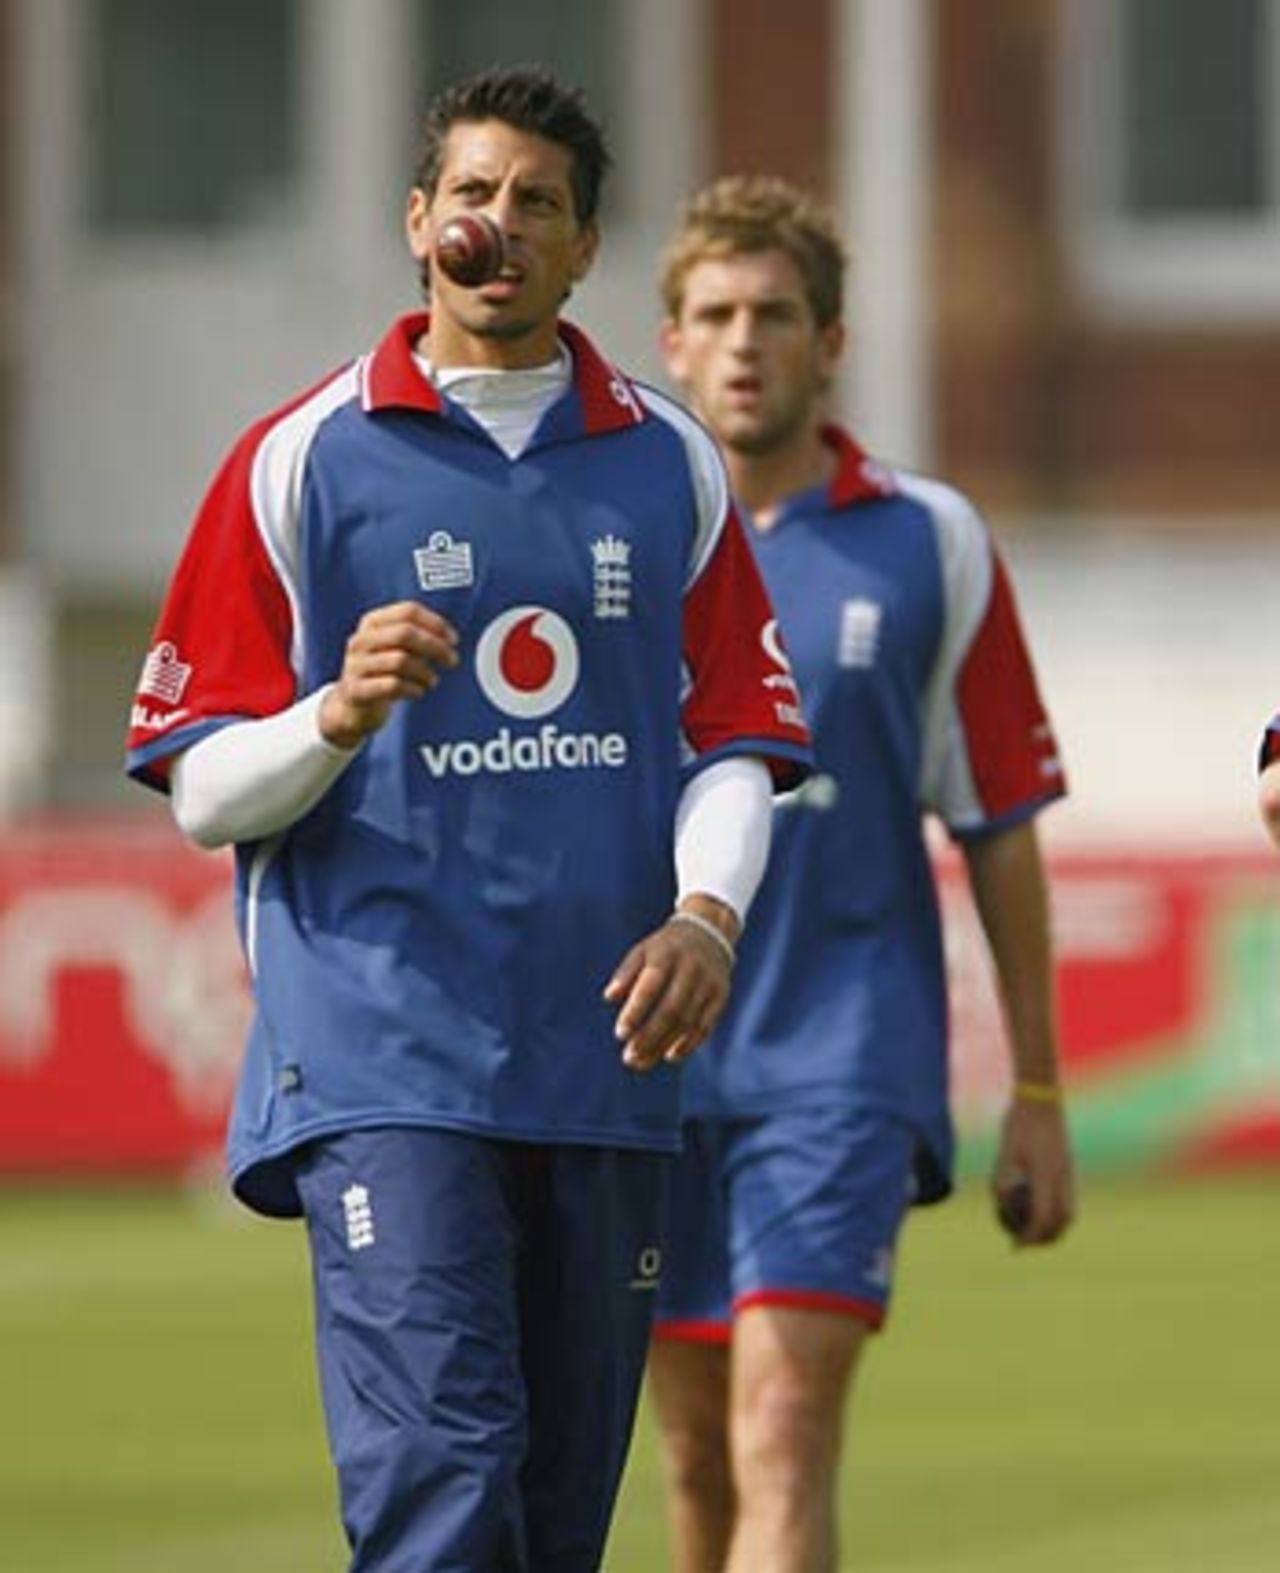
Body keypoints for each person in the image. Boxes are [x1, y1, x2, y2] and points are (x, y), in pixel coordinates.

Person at [124, 74, 811, 1572]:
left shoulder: (668, 460)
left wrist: (707, 917)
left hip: (605, 1058)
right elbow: (199, 793)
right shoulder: (296, 460)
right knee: (442, 1483)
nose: (498, 224)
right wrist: (333, 712)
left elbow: (734, 743)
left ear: (584, 251)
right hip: (384, 1055)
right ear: (418, 221)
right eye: (474, 195)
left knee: (556, 1523)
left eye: (538, 203)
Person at [646, 174, 1077, 1573]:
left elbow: (999, 819)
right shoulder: (614, 541)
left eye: (776, 313)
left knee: (784, 1418)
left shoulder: (927, 539)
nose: (743, 340)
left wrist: (1036, 1091)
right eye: (714, 313)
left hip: (845, 1053)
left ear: (832, 341)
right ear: (670, 341)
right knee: (696, 1461)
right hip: (642, 1056)